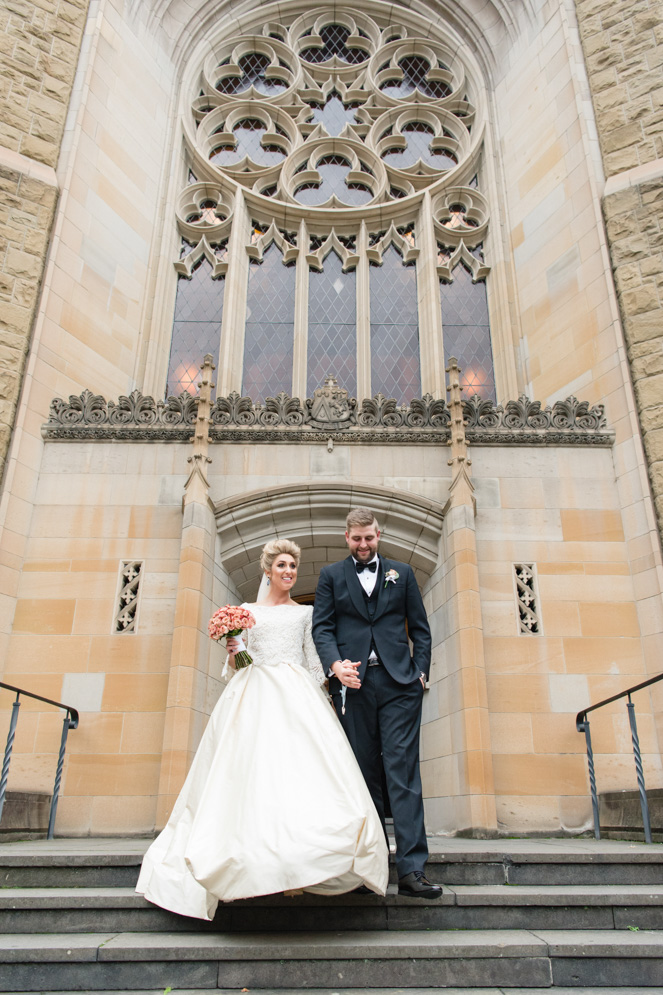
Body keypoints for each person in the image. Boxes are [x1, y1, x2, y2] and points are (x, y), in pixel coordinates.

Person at [136, 538, 388, 920]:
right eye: (282, 566)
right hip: (251, 694)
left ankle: (302, 862)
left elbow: (312, 664)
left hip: (296, 696)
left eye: (293, 567)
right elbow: (238, 666)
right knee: (247, 776)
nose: (288, 572)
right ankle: (248, 861)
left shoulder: (306, 614)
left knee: (300, 776)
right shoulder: (244, 612)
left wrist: (330, 689)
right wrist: (234, 646)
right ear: (267, 570)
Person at [312, 507, 441, 899]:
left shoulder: (401, 573)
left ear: (379, 535)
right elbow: (323, 627)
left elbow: (420, 629)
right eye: (356, 539)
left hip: (400, 685)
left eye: (369, 538)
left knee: (402, 772)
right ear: (346, 537)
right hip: (354, 686)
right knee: (362, 776)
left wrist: (420, 674)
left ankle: (412, 870)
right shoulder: (331, 576)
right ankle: (367, 869)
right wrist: (335, 668)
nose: (363, 545)